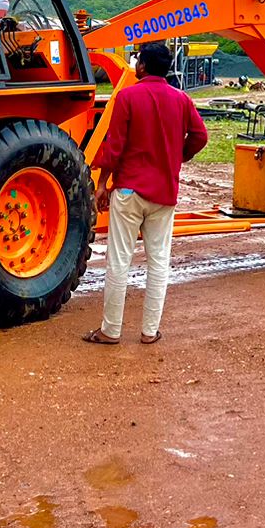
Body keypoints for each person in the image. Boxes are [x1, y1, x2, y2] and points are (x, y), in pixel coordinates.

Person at [84, 40, 208, 346]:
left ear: (141, 66)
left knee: (119, 262)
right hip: (163, 193)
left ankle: (110, 330)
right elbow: (200, 135)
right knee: (158, 262)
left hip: (128, 191)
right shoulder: (181, 100)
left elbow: (114, 147)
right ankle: (150, 331)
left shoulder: (127, 96)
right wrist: (178, 156)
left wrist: (102, 185)